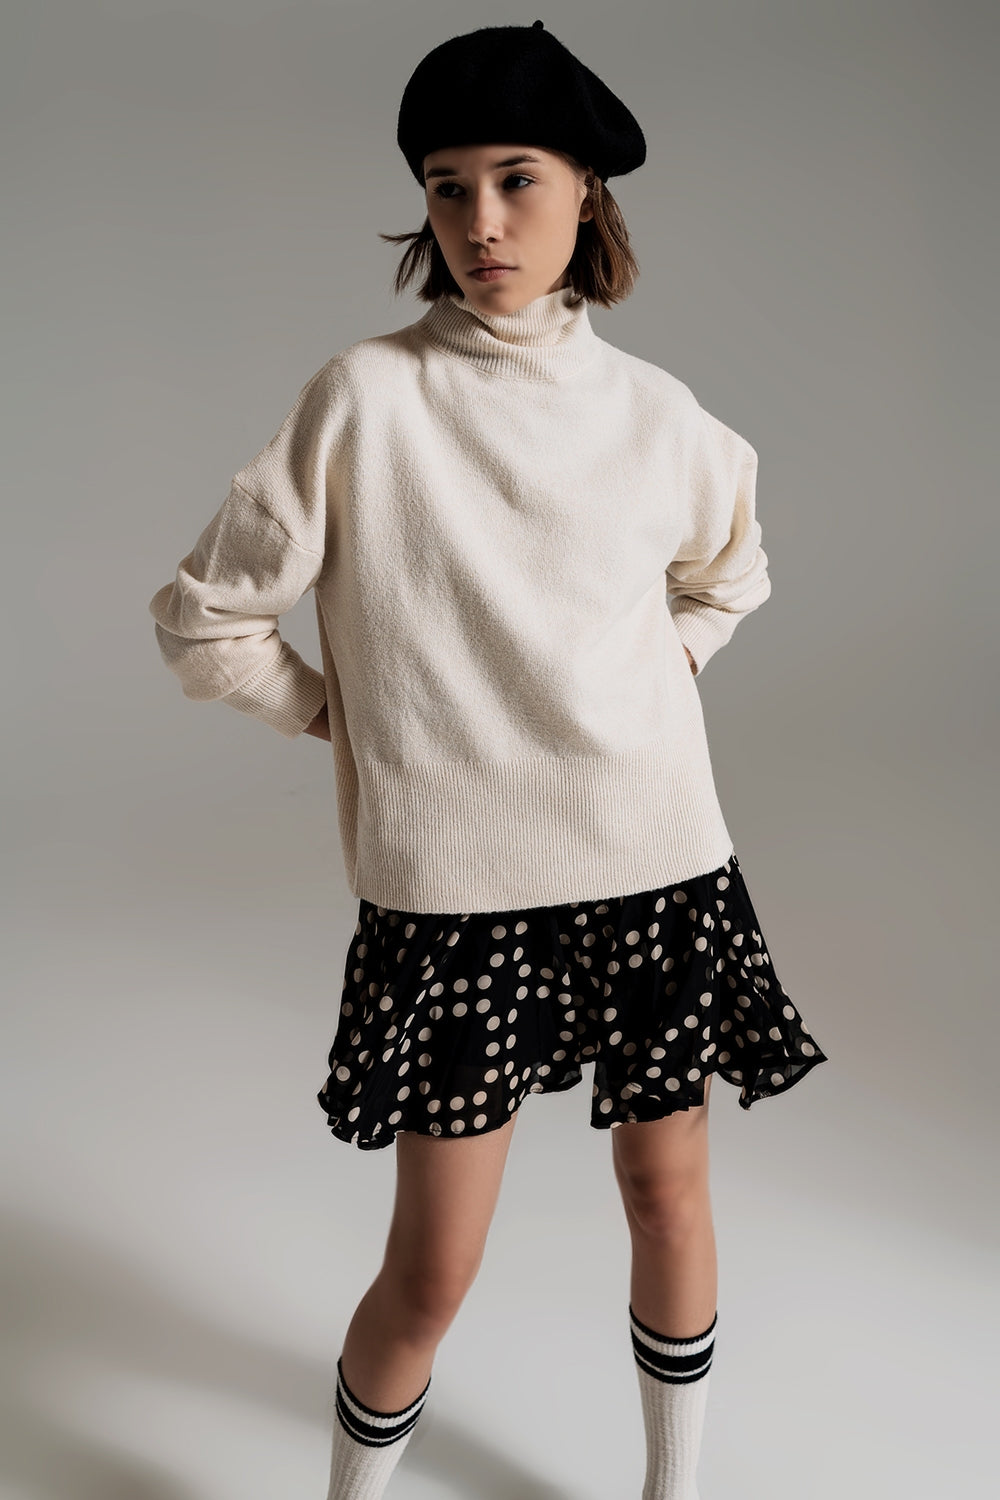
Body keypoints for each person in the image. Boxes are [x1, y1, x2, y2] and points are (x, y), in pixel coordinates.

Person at [148, 19, 830, 1500]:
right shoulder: (364, 400)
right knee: (434, 1267)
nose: (481, 222)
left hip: (655, 864)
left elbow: (731, 575)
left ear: (587, 193)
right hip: (454, 894)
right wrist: (338, 715)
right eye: (447, 187)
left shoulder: (657, 417)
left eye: (517, 179)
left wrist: (664, 670)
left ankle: (671, 1491)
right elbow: (204, 620)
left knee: (668, 1194)